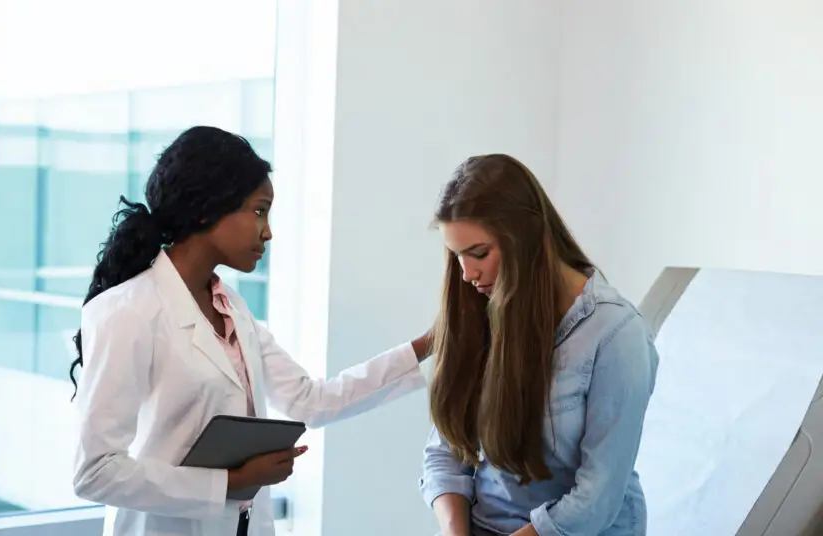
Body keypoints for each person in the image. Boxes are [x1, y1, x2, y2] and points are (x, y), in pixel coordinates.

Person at [70, 126, 432, 536]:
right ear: (207, 209)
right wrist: (229, 483)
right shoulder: (129, 312)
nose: (268, 231)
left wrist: (428, 344)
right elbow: (95, 471)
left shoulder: (232, 308)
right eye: (259, 211)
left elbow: (311, 400)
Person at [419, 154, 659, 536]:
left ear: (526, 238)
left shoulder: (615, 334)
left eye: (479, 253)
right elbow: (445, 455)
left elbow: (595, 500)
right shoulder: (477, 309)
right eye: (457, 256)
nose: (467, 274)